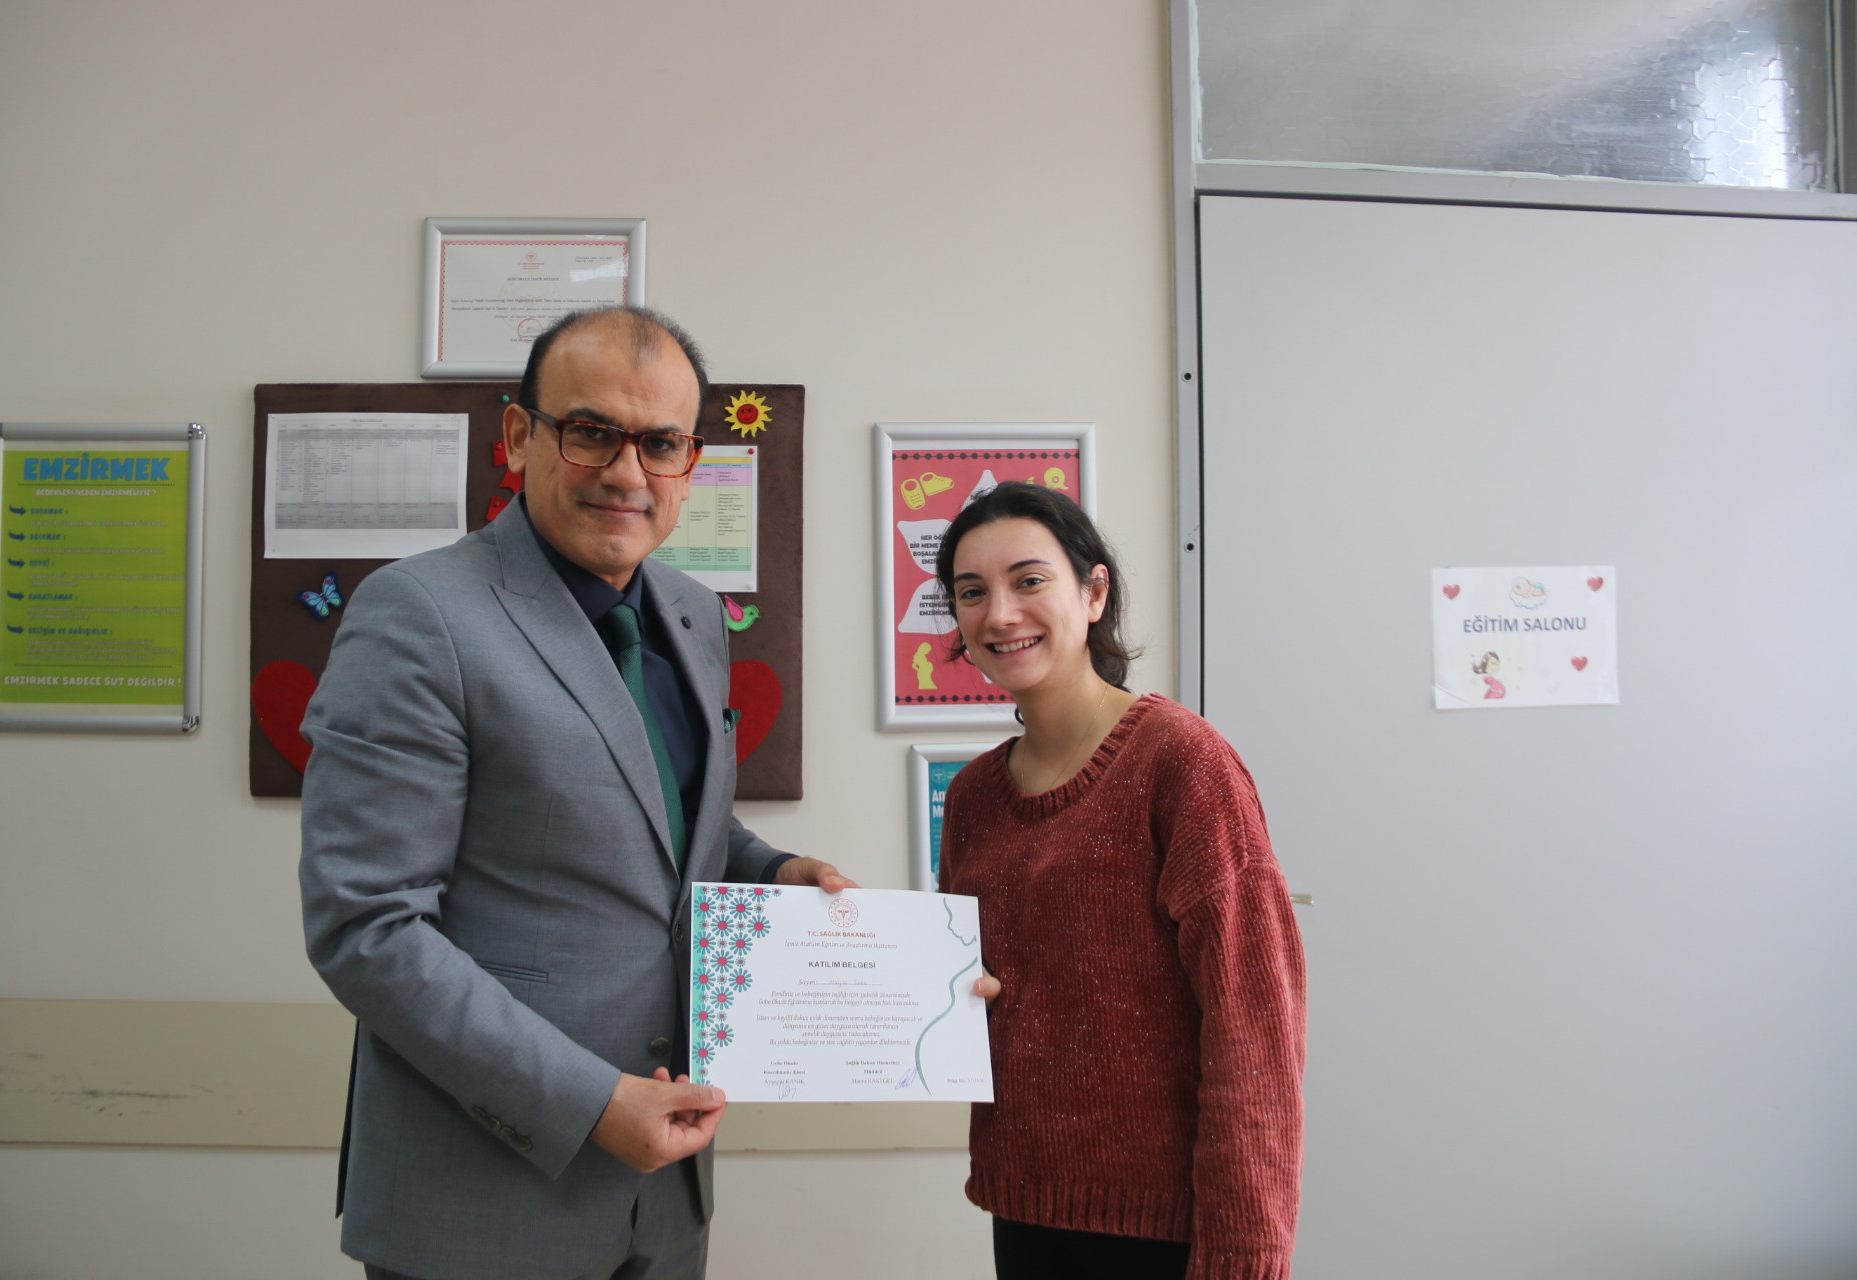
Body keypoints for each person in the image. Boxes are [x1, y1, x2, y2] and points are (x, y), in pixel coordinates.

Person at [299, 306, 850, 1280]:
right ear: (520, 436)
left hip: (665, 1203)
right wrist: (591, 1101)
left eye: (661, 443)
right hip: (480, 1202)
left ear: (691, 462)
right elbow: (367, 926)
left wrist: (773, 872)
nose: (627, 473)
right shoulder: (419, 614)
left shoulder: (693, 614)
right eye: (592, 431)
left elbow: (665, 823)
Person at [934, 481, 1306, 1280]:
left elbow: (1254, 1024)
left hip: (1167, 1233)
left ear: (1094, 593)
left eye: (1029, 580)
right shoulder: (971, 799)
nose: (1000, 614)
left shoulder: (1181, 762)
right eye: (972, 592)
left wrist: (1245, 1254)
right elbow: (971, 999)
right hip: (1025, 1210)